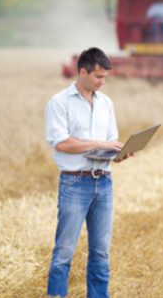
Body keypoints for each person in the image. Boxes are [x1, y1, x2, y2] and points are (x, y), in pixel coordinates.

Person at [45, 47, 131, 298]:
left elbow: (110, 141)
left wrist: (120, 153)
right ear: (82, 72)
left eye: (105, 77)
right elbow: (61, 143)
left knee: (101, 252)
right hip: (74, 184)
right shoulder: (59, 103)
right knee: (64, 251)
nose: (103, 82)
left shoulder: (106, 103)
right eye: (98, 77)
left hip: (104, 183)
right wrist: (101, 144)